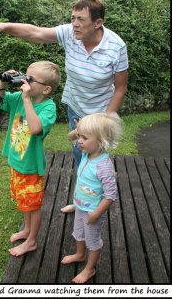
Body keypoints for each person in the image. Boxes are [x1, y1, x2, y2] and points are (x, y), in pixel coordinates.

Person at [0, 0, 128, 213]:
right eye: (72, 17)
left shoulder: (116, 47)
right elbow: (34, 32)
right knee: (79, 153)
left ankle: (98, 203)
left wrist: (106, 117)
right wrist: (3, 26)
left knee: (97, 158)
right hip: (76, 107)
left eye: (81, 19)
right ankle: (82, 200)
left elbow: (120, 87)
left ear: (97, 23)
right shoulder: (69, 33)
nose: (74, 23)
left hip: (101, 112)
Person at [0, 61, 60, 257]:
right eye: (25, 75)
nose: (24, 80)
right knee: (23, 202)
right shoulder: (18, 98)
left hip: (31, 166)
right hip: (17, 161)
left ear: (46, 89)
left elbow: (35, 128)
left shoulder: (48, 107)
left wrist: (26, 100)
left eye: (30, 79)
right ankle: (25, 230)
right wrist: (2, 82)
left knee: (33, 205)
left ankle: (32, 241)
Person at [61, 112, 122, 283]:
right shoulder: (87, 152)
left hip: (93, 211)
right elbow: (69, 137)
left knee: (93, 241)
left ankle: (90, 269)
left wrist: (96, 214)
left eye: (84, 138)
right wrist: (80, 129)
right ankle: (80, 255)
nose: (79, 141)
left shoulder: (104, 166)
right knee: (78, 233)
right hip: (80, 206)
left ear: (101, 141)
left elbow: (110, 195)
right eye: (79, 136)